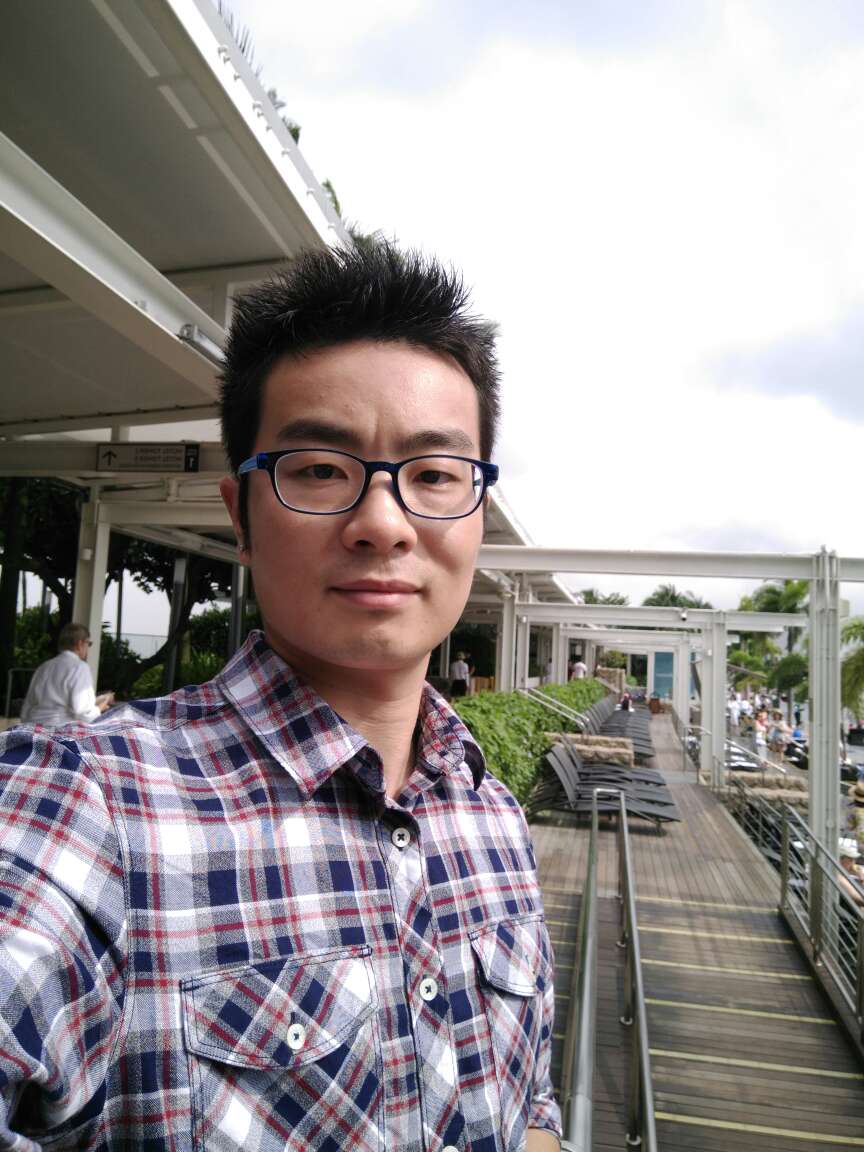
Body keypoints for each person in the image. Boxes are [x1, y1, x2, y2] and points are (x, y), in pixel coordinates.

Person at [0, 244, 561, 1151]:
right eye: (319, 469)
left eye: (433, 475)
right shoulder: (88, 805)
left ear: (476, 513)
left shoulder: (492, 813)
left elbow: (529, 1104)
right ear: (241, 516)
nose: (383, 523)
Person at [19, 622, 114, 727]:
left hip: (32, 729)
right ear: (80, 644)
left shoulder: (44, 667)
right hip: (59, 730)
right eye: (89, 643)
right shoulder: (79, 667)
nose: (88, 648)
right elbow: (83, 713)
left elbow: (26, 710)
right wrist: (101, 707)